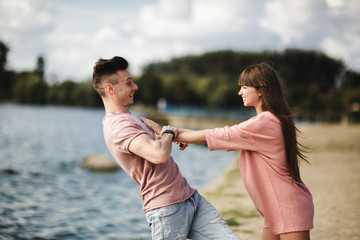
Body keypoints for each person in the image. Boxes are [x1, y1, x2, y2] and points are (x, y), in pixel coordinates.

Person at [143, 62, 314, 240]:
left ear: (261, 90)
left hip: (287, 207)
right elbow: (216, 136)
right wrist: (172, 133)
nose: (240, 92)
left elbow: (217, 135)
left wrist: (170, 133)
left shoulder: (263, 123)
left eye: (244, 87)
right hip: (275, 208)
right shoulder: (267, 122)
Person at [92, 56, 241, 240]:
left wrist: (165, 134)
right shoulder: (118, 126)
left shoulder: (130, 118)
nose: (135, 87)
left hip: (190, 199)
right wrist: (169, 134)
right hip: (167, 209)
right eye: (129, 83)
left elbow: (158, 144)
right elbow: (159, 154)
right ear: (110, 88)